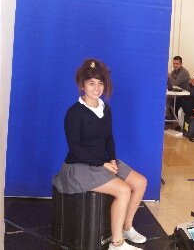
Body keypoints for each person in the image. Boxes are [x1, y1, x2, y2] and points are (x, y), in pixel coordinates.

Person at [52, 58, 147, 250]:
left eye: (100, 83)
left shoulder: (106, 109)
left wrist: (111, 159)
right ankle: (117, 243)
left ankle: (127, 227)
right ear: (83, 86)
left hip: (101, 161)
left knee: (140, 182)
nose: (97, 88)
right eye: (91, 83)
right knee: (123, 190)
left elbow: (109, 138)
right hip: (77, 167)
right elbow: (75, 148)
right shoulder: (74, 113)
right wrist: (103, 164)